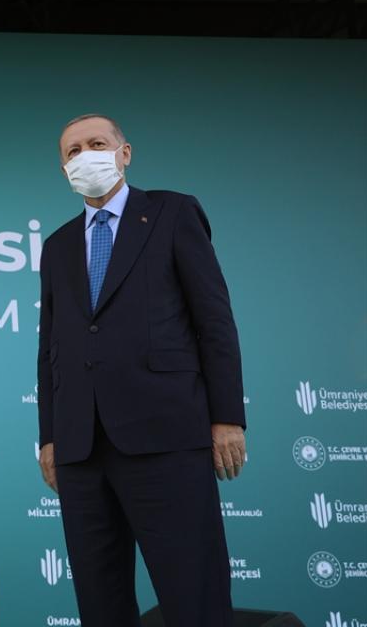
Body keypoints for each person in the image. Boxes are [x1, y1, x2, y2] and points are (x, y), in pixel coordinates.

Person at [37, 114, 246, 627]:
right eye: (73, 151)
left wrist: (226, 418)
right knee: (100, 602)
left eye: (97, 143)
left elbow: (214, 320)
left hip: (167, 436)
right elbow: (50, 349)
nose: (85, 155)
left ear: (124, 153)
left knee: (192, 592)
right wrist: (51, 438)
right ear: (63, 168)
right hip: (82, 449)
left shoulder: (173, 213)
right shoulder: (58, 245)